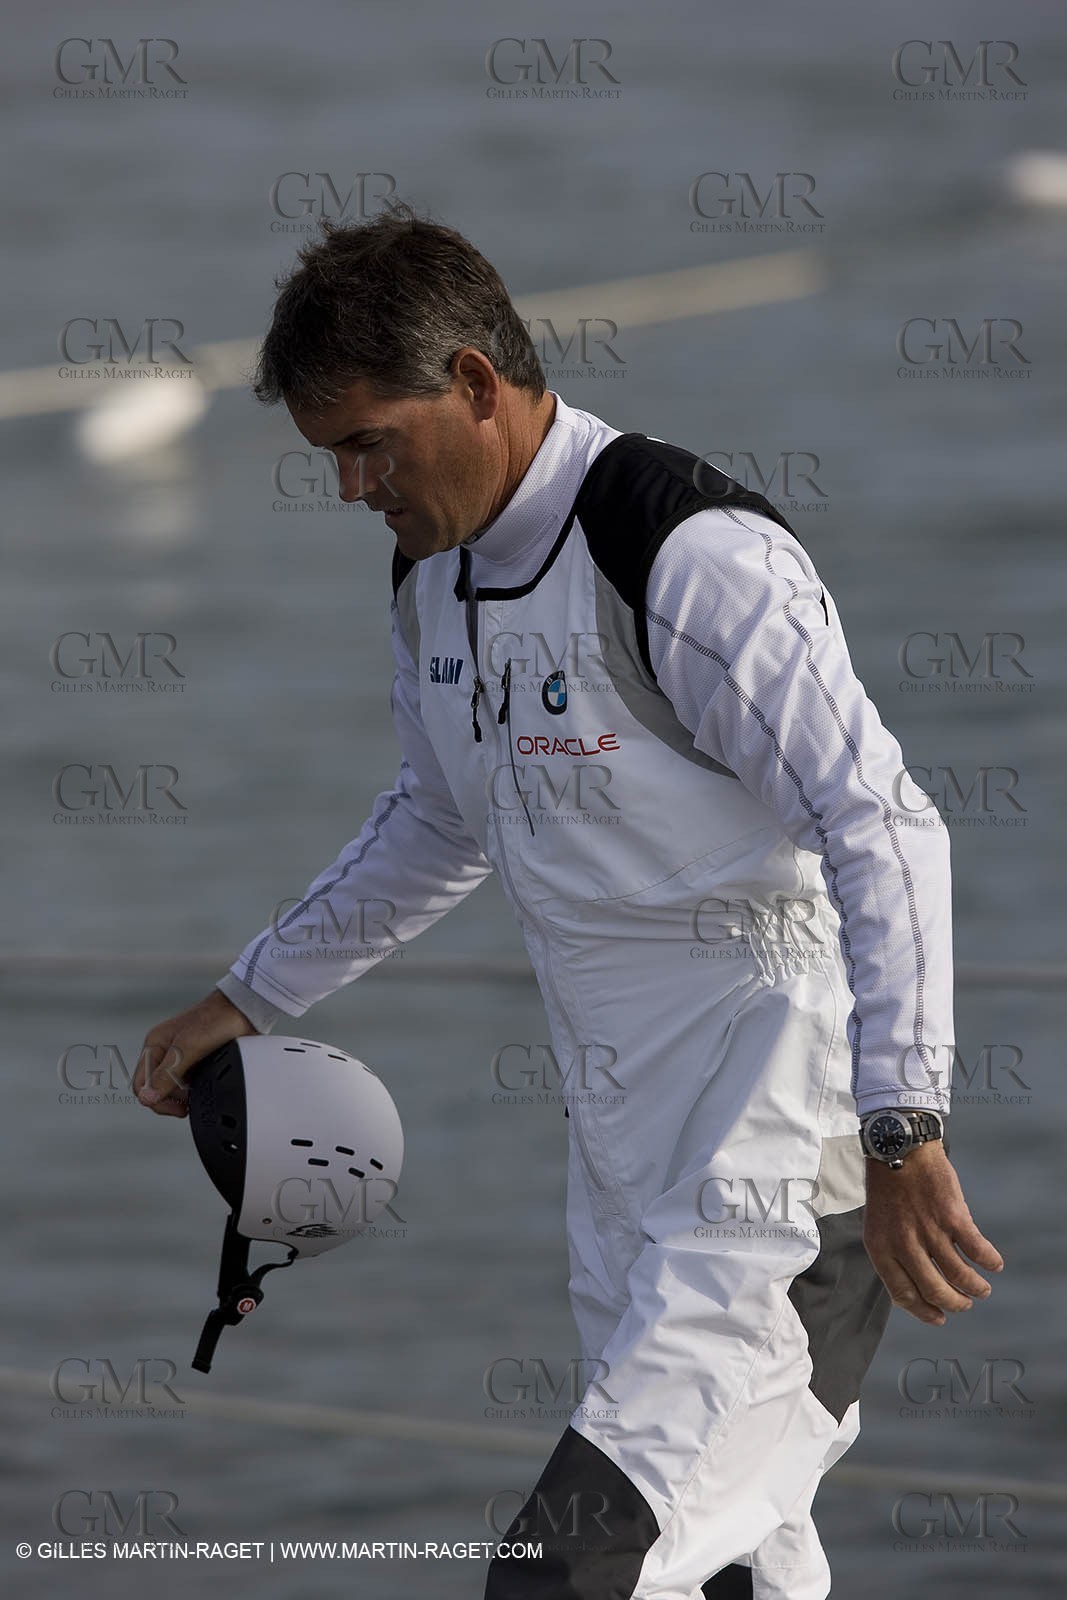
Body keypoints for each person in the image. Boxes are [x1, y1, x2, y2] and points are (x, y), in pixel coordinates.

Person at [135, 207, 1003, 1600]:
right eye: (332, 456)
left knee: (558, 1578)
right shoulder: (434, 575)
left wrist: (906, 1127)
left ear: (476, 382)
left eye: (371, 443)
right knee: (729, 1583)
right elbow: (436, 819)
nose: (354, 486)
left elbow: (883, 826)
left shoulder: (684, 554)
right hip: (626, 1194)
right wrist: (251, 992)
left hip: (779, 1198)